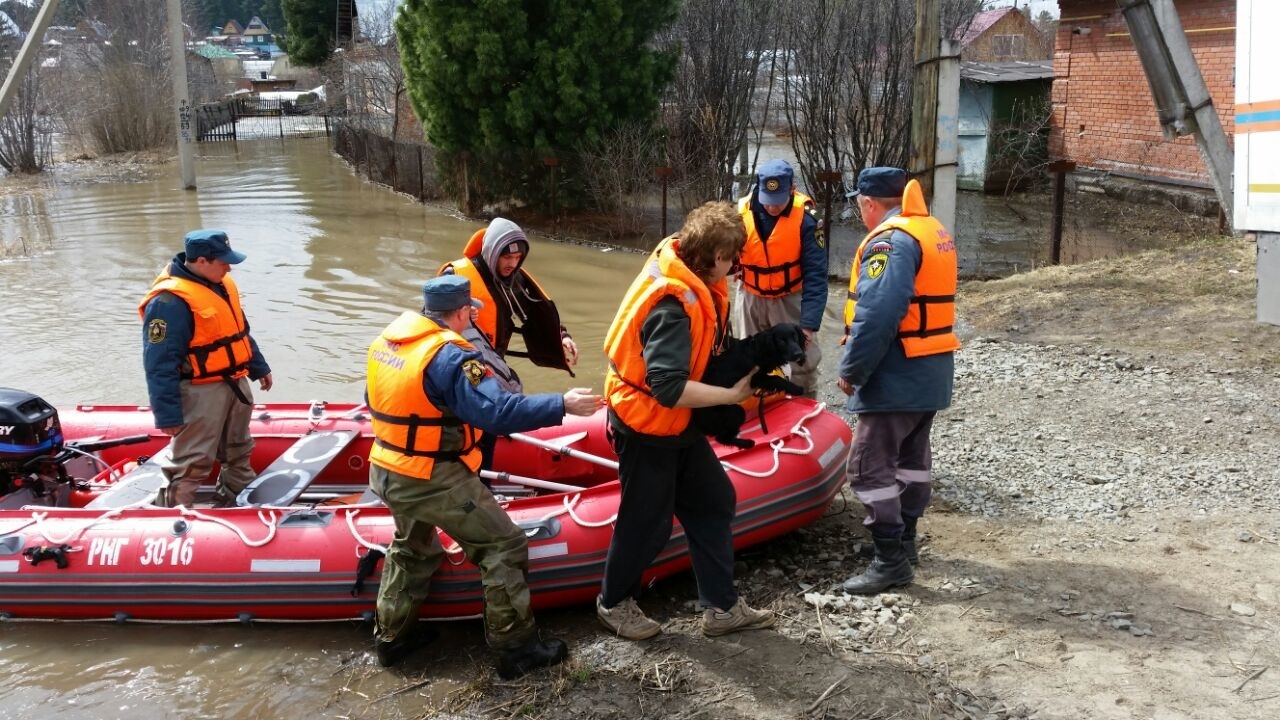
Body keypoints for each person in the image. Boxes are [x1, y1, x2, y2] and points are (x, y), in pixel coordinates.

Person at [365, 274, 604, 676]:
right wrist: (561, 404)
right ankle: (516, 650)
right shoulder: (453, 358)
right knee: (504, 546)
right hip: (430, 475)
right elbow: (497, 412)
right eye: (469, 312)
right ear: (461, 313)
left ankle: (392, 641)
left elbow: (380, 402)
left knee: (412, 547)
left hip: (387, 469)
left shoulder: (388, 345)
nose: (470, 319)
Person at [596, 201, 777, 640]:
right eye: (732, 257)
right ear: (715, 256)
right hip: (647, 426)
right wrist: (733, 396)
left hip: (677, 427)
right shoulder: (672, 306)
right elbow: (669, 387)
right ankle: (613, 603)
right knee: (646, 522)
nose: (735, 267)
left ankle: (721, 609)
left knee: (715, 501)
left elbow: (701, 355)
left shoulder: (689, 274)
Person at [836, 167, 960, 595]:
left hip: (897, 372)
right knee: (911, 460)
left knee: (868, 467)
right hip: (930, 369)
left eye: (859, 204)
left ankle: (889, 560)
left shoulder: (891, 241)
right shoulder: (930, 228)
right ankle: (905, 543)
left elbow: (878, 314)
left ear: (870, 204)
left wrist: (852, 370)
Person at [139, 229, 273, 508]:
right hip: (200, 392)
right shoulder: (168, 302)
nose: (229, 267)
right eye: (223, 261)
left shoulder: (221, 283)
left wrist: (257, 366)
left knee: (238, 450)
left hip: (234, 383)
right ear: (201, 261)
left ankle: (237, 506)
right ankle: (172, 519)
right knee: (191, 462)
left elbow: (239, 331)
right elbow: (158, 364)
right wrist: (167, 415)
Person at [440, 218, 579, 469]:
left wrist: (562, 335)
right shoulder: (456, 276)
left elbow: (537, 312)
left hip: (490, 362)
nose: (512, 264)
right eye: (506, 258)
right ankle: (472, 481)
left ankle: (485, 481)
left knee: (490, 425)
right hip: (460, 363)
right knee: (478, 422)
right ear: (493, 252)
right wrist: (459, 317)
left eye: (517, 258)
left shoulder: (513, 278)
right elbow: (431, 318)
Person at [734, 158, 827, 396]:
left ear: (792, 189)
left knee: (801, 362)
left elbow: (816, 275)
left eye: (778, 202)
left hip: (789, 296)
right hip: (751, 296)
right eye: (767, 201)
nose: (772, 207)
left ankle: (804, 404)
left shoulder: (808, 218)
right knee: (750, 359)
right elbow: (727, 252)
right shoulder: (740, 211)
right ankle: (756, 406)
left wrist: (808, 325)